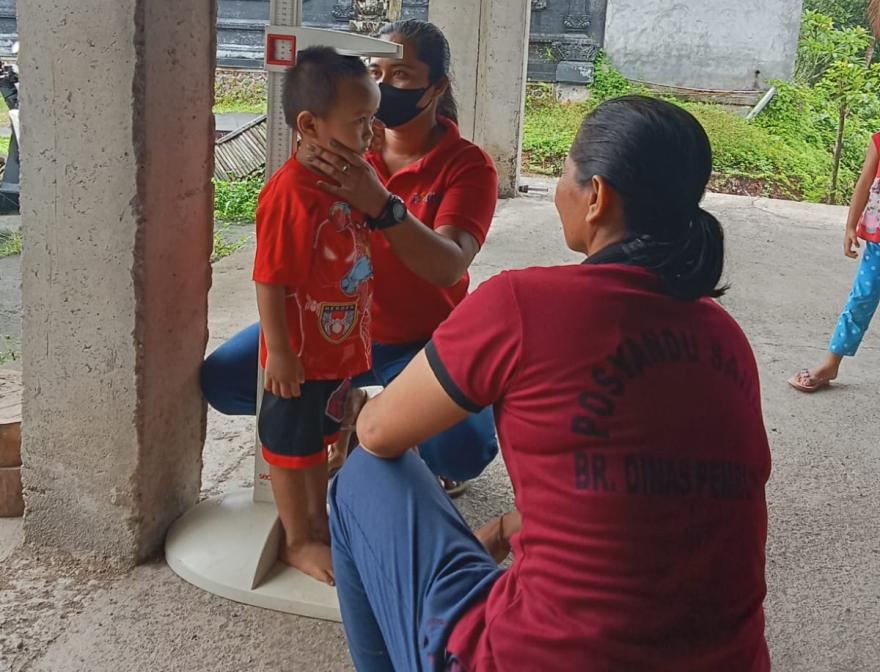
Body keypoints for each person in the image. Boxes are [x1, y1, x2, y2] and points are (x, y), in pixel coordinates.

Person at [329, 96, 772, 672]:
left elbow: (379, 430)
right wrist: (524, 524)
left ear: (597, 197)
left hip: (532, 657)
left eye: (565, 169)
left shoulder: (524, 303)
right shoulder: (725, 338)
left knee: (363, 469)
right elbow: (663, 481)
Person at [201, 20, 500, 492]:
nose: (383, 87)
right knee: (225, 381)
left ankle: (371, 418)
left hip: (418, 343)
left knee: (462, 449)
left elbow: (448, 267)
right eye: (375, 71)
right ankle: (348, 401)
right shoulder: (338, 145)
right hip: (330, 325)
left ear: (435, 88)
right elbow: (285, 235)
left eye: (401, 74)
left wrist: (380, 203)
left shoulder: (466, 165)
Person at [253, 47, 379, 585]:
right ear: (309, 124)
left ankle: (318, 522)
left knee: (320, 440)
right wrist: (279, 351)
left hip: (335, 348)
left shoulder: (353, 175)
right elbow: (269, 278)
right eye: (359, 122)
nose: (371, 134)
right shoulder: (292, 193)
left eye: (373, 120)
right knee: (292, 447)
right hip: (300, 356)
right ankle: (297, 540)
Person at [790, 131, 880, 392]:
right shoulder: (878, 142)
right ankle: (831, 364)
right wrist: (850, 226)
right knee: (861, 300)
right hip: (877, 246)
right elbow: (864, 184)